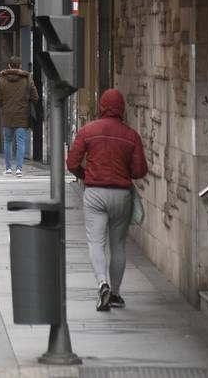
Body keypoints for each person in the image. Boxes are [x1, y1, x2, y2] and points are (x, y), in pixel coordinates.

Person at [66, 87, 148, 312]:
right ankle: (116, 293)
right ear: (121, 108)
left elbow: (72, 162)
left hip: (95, 193)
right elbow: (140, 170)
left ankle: (102, 283)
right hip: (121, 195)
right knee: (118, 245)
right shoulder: (131, 135)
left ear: (102, 106)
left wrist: (85, 175)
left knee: (96, 243)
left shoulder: (88, 131)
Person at [0, 57, 38, 176]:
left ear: (9, 66)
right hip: (22, 116)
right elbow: (35, 97)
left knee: (7, 142)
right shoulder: (27, 79)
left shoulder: (2, 79)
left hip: (7, 116)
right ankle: (19, 169)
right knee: (21, 142)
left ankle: (8, 169)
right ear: (20, 66)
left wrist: (5, 106)